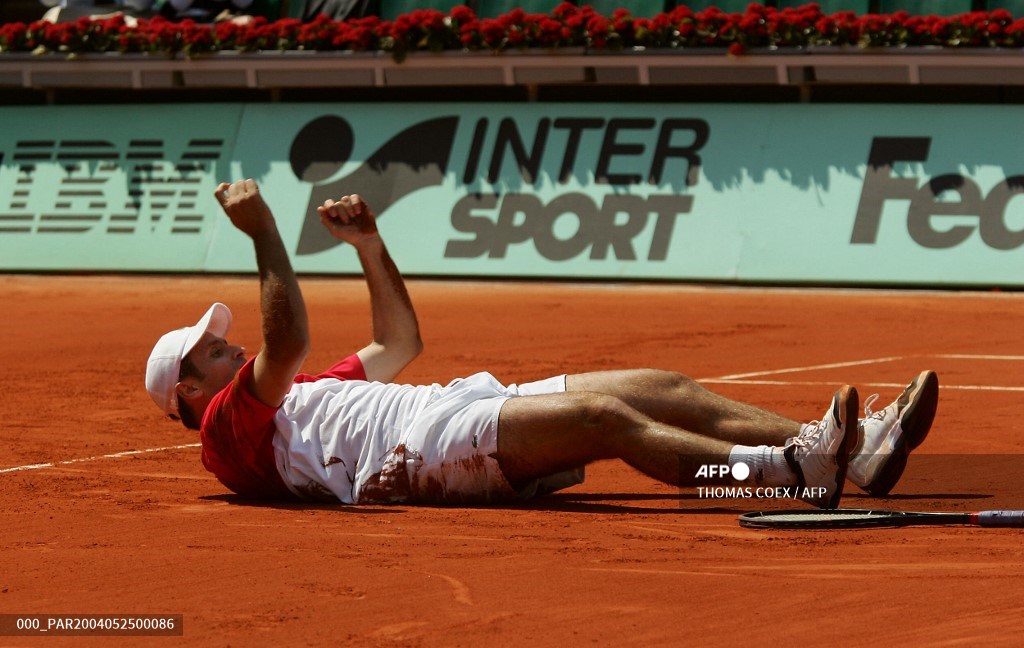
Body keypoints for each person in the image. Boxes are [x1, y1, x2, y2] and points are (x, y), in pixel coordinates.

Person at [145, 179, 939, 509]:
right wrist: (265, 235)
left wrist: (370, 245)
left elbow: (400, 340)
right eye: (205, 352)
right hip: (416, 450)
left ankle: (858, 449)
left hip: (448, 406)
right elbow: (287, 336)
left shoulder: (307, 392)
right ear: (186, 391)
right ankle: (787, 476)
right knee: (604, 419)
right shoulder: (227, 427)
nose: (224, 346)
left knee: (654, 385)